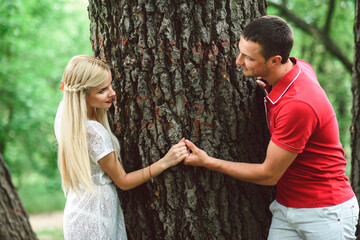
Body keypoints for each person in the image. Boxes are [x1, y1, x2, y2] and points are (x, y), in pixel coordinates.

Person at [183, 16, 359, 239]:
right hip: (286, 208)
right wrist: (270, 85)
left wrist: (208, 162)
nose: (238, 61)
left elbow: (269, 175)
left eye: (248, 58)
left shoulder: (297, 105)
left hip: (325, 213)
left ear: (275, 61)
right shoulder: (297, 68)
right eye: (241, 52)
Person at [54, 55, 189, 239]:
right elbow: (123, 181)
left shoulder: (66, 113)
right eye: (102, 90)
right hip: (96, 219)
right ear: (82, 94)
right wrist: (165, 162)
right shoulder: (94, 133)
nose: (112, 93)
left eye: (110, 84)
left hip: (78, 210)